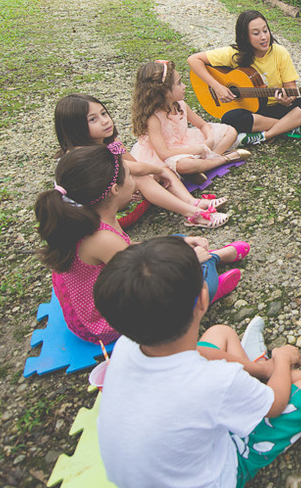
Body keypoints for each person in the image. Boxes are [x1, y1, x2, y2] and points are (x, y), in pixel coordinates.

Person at [93, 237, 301, 488]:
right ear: (203, 298)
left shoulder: (126, 344)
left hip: (151, 479)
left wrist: (258, 371)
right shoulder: (216, 382)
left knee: (220, 332)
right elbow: (275, 404)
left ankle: (259, 369)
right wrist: (282, 359)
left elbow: (198, 355)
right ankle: (264, 373)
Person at [34, 146, 244, 345]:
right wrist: (191, 259)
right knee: (198, 279)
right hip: (103, 325)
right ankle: (210, 274)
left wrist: (178, 243)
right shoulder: (101, 237)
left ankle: (210, 258)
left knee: (176, 239)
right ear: (115, 190)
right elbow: (149, 277)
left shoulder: (92, 217)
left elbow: (130, 248)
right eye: (130, 175)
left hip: (110, 290)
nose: (135, 180)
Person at [54, 93, 232, 228]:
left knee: (152, 171)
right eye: (93, 119)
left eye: (104, 113)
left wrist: (150, 175)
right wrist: (153, 174)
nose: (104, 121)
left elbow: (134, 163)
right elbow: (131, 169)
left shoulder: (110, 141)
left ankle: (193, 202)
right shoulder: (82, 154)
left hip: (112, 193)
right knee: (144, 176)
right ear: (76, 128)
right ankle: (193, 214)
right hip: (93, 209)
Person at [188, 9, 301, 146]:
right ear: (244, 37)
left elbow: (291, 89)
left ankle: (265, 135)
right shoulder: (234, 54)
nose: (264, 37)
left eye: (265, 30)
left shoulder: (280, 53)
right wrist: (217, 87)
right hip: (252, 111)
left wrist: (287, 101)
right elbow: (193, 60)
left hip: (276, 108)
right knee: (230, 118)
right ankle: (290, 127)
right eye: (256, 33)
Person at [130, 60, 248, 186]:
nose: (184, 86)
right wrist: (196, 149)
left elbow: (203, 125)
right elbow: (164, 154)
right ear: (164, 91)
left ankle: (204, 165)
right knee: (185, 165)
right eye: (179, 83)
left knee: (230, 132)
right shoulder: (154, 118)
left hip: (186, 141)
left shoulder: (181, 105)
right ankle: (224, 159)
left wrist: (208, 139)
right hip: (167, 154)